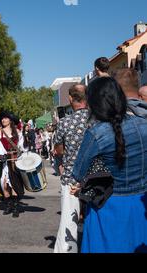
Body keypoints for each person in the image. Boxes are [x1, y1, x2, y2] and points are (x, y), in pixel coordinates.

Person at [72, 77, 147, 253]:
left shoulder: (96, 133)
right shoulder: (144, 125)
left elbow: (78, 172)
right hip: (141, 202)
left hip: (109, 206)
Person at [53, 84, 88, 253]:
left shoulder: (65, 122)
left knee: (69, 220)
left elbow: (59, 150)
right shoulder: (97, 119)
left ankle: (68, 250)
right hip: (95, 178)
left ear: (70, 99)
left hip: (71, 177)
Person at [0, 111, 25, 218]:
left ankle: (15, 207)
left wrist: (20, 154)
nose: (3, 120)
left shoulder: (18, 132)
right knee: (4, 184)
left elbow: (22, 146)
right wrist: (0, 155)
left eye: (5, 118)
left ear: (10, 120)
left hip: (15, 161)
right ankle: (8, 204)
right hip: (3, 162)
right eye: (2, 119)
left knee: (14, 183)